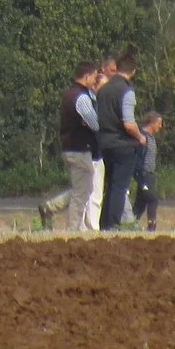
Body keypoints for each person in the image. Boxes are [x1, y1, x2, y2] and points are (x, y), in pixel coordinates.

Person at [94, 50, 145, 234]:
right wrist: (141, 137)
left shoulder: (103, 89)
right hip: (122, 144)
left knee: (110, 186)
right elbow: (129, 123)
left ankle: (104, 223)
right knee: (119, 187)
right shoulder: (126, 91)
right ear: (133, 71)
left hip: (104, 143)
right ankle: (112, 225)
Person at [59, 60, 103, 235]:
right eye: (93, 76)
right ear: (86, 76)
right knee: (81, 192)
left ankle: (72, 223)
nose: (95, 80)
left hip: (69, 148)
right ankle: (73, 229)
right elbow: (95, 124)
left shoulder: (68, 94)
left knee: (82, 188)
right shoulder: (82, 97)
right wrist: (91, 122)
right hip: (80, 149)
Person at [131, 114, 164, 232]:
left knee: (141, 202)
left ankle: (131, 224)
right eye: (159, 123)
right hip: (143, 173)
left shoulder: (151, 137)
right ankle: (151, 228)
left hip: (149, 174)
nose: (160, 126)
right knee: (152, 199)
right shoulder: (142, 137)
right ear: (152, 123)